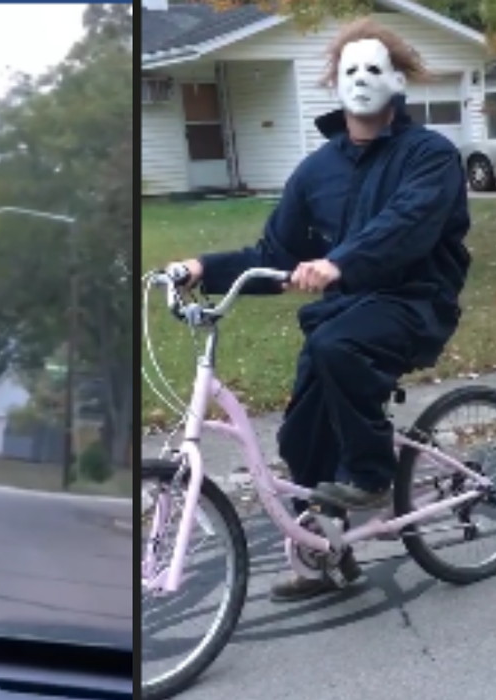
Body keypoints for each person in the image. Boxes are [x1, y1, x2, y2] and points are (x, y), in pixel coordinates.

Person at [167, 19, 471, 602]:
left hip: (415, 302)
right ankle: (327, 554)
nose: (361, 80)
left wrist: (340, 263)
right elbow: (274, 254)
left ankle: (373, 473)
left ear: (397, 80)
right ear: (335, 83)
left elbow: (406, 225)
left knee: (338, 347)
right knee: (302, 433)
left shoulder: (430, 155)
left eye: (374, 69)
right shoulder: (316, 170)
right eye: (350, 70)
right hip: (347, 313)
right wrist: (203, 267)